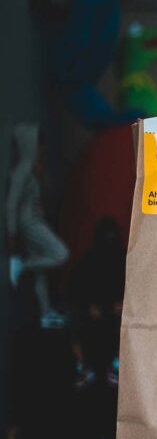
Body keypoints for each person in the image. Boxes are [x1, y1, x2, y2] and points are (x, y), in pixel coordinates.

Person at [7, 122, 70, 329]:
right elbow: (11, 203)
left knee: (41, 274)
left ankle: (45, 313)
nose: (43, 149)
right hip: (30, 224)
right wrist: (12, 234)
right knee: (61, 254)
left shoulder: (33, 168)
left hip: (36, 221)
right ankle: (23, 266)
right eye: (40, 144)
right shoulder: (23, 170)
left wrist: (42, 175)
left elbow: (48, 196)